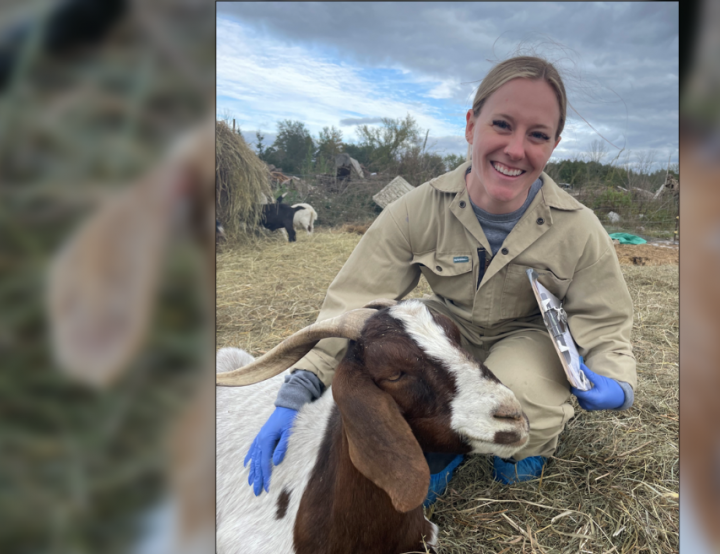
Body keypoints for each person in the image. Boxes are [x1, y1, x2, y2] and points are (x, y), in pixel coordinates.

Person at [242, 56, 637, 508]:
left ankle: (526, 447)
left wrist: (615, 381)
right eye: (502, 124)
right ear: (471, 125)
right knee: (394, 358)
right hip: (451, 330)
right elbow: (353, 303)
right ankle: (443, 451)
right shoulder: (416, 209)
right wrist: (299, 389)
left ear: (554, 145)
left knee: (519, 396)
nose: (515, 149)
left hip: (527, 337)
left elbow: (604, 319)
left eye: (537, 135)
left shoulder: (579, 227)